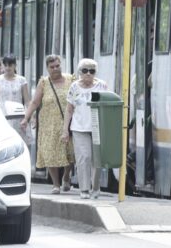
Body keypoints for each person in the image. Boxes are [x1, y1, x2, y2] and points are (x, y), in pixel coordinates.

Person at [21, 54, 75, 194]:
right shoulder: (44, 82)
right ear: (47, 68)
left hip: (67, 123)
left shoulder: (70, 80)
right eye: (52, 67)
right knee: (50, 153)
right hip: (48, 125)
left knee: (71, 152)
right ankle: (56, 185)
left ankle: (66, 176)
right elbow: (35, 102)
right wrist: (26, 118)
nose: (55, 69)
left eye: (57, 66)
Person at [63, 58, 107, 199]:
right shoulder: (74, 87)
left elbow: (106, 107)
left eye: (92, 71)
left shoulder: (102, 86)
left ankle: (95, 188)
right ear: (79, 72)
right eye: (85, 70)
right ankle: (84, 189)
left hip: (97, 127)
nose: (88, 74)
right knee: (84, 158)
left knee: (97, 159)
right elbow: (69, 110)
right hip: (79, 128)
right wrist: (65, 130)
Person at [0, 55, 31, 145]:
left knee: (20, 143)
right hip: (3, 116)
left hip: (18, 116)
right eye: (5, 65)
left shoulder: (22, 80)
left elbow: (27, 100)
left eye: (10, 65)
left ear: (15, 66)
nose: (7, 67)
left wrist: (29, 116)